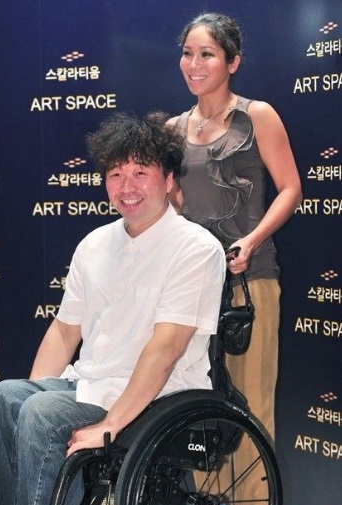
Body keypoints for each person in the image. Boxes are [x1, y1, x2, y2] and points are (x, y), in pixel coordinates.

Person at [0, 111, 226, 505]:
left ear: (168, 179)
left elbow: (166, 348)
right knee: (6, 397)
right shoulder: (94, 244)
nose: (127, 186)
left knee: (41, 412)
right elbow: (64, 331)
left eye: (140, 173)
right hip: (91, 385)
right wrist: (32, 399)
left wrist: (110, 424)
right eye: (115, 174)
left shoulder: (195, 248)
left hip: (158, 396)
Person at [166, 11, 302, 498]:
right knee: (199, 408)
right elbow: (174, 206)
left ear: (233, 62)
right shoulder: (172, 129)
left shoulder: (257, 116)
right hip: (193, 290)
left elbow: (290, 189)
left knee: (250, 407)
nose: (194, 64)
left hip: (250, 284)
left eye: (207, 54)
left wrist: (252, 240)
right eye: (188, 53)